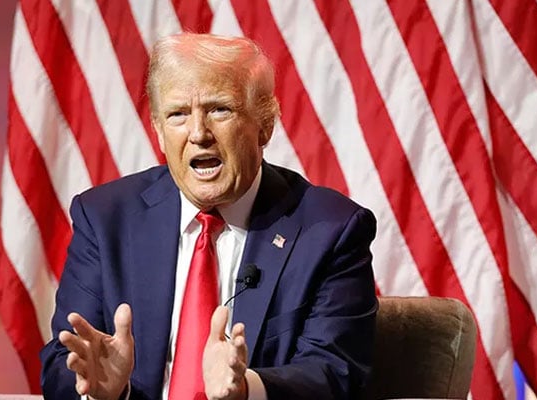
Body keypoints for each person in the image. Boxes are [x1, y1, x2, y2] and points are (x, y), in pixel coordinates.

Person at [40, 32, 378, 400]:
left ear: (265, 124)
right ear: (157, 129)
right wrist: (104, 391)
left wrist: (247, 389)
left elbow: (334, 371)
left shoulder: (330, 229)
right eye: (178, 115)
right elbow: (63, 362)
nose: (199, 134)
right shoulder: (105, 218)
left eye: (220, 109)